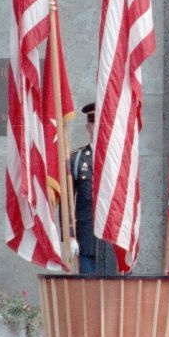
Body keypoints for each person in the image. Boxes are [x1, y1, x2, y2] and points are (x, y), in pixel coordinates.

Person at [69, 103, 118, 276]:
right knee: (88, 293)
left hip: (114, 239)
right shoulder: (77, 158)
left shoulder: (118, 158)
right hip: (86, 238)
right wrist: (70, 236)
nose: (96, 124)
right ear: (87, 125)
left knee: (114, 296)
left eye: (100, 120)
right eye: (92, 120)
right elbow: (68, 200)